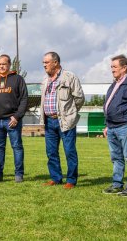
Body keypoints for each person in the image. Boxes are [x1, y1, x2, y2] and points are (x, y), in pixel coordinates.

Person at [40, 51, 84, 189]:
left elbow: (79, 99)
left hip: (65, 121)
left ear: (56, 63)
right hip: (49, 122)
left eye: (46, 62)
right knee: (51, 152)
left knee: (69, 151)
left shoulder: (69, 77)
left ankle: (71, 180)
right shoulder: (45, 80)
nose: (44, 65)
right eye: (43, 62)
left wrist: (70, 114)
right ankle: (56, 178)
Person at [102, 54, 127, 196]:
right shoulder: (115, 84)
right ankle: (117, 184)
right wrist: (107, 125)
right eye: (111, 66)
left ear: (124, 68)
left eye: (114, 66)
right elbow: (110, 106)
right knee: (116, 158)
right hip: (112, 127)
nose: (112, 69)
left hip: (125, 127)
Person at [0, 54, 28, 183]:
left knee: (17, 147)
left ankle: (19, 174)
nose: (1, 66)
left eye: (4, 64)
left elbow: (24, 99)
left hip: (12, 120)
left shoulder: (18, 79)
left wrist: (17, 116)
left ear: (9, 65)